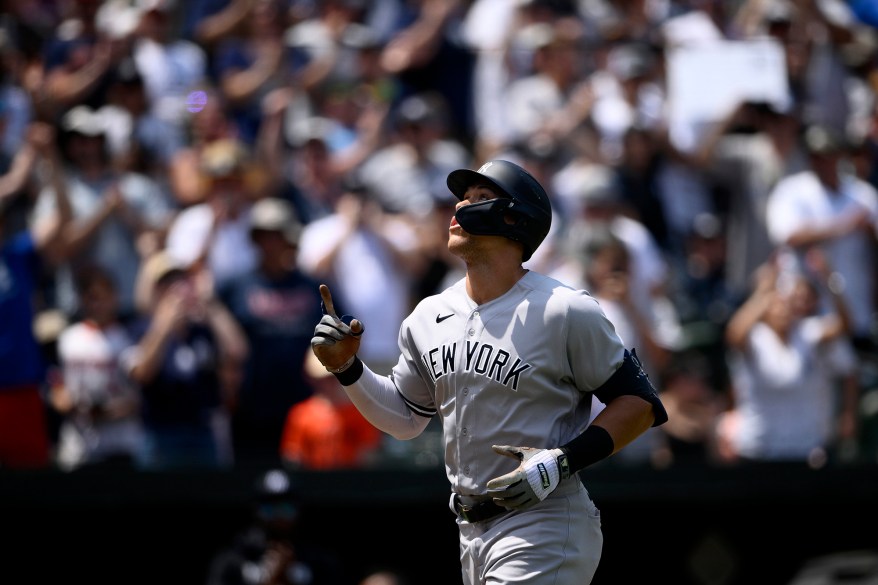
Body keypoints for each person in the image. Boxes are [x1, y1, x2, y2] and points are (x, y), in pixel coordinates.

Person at [311, 159, 668, 584]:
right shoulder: (428, 315)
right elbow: (406, 419)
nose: (460, 207)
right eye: (461, 197)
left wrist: (562, 461)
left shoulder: (564, 309)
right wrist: (347, 368)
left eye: (481, 198)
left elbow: (641, 403)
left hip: (545, 520)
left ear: (517, 219)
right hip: (469, 529)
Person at [205, 467, 348, 585]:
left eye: (286, 508)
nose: (278, 517)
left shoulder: (319, 561)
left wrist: (289, 576)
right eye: (269, 509)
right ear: (256, 511)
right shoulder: (233, 559)